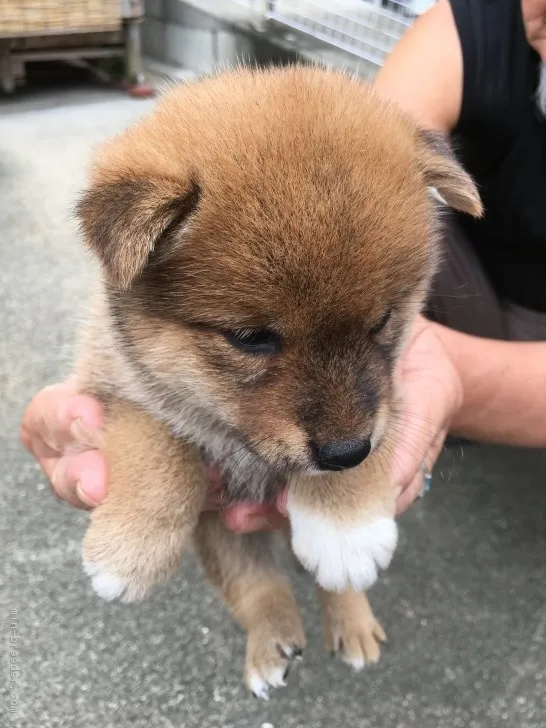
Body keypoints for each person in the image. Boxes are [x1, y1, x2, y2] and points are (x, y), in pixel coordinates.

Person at [20, 0, 546, 531]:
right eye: (252, 337)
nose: (344, 427)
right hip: (486, 285)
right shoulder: (475, 27)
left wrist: (453, 379)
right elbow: (364, 144)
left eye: (378, 322)